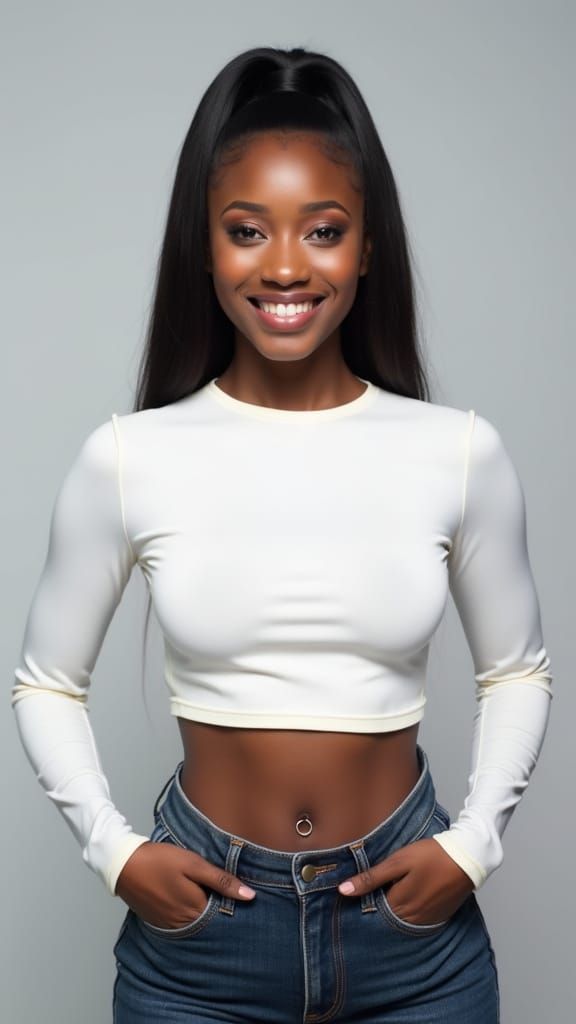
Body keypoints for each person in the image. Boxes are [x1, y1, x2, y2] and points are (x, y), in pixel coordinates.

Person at [12, 46, 553, 1024]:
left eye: (326, 230)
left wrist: (473, 844)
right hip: (200, 947)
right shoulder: (131, 456)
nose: (288, 266)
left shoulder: (456, 451)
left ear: (368, 245)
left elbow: (517, 669)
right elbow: (46, 679)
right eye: (248, 230)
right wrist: (113, 849)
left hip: (412, 942)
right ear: (207, 246)